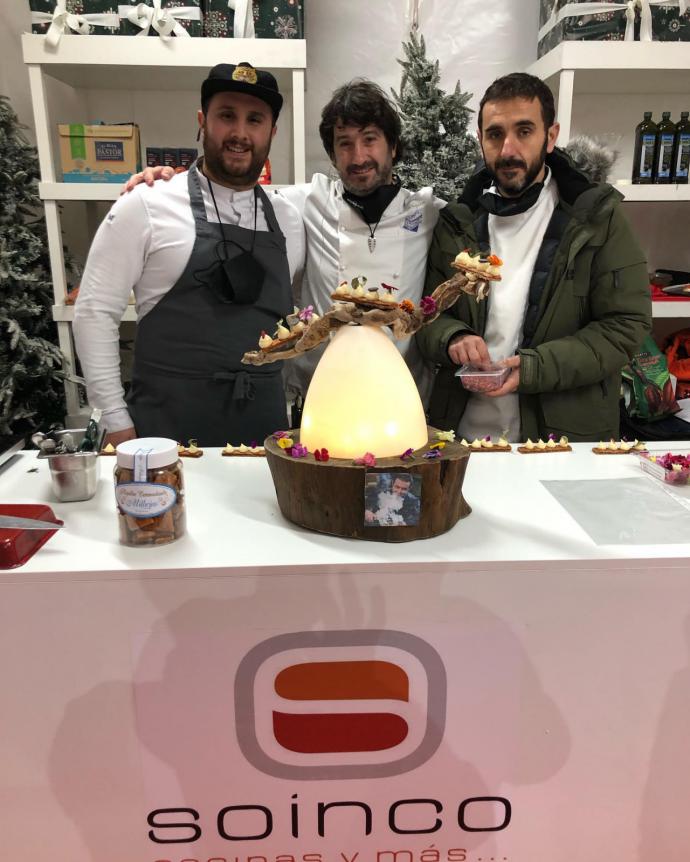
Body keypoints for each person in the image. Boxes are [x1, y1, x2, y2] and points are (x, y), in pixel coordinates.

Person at [126, 80, 445, 406]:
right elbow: (230, 194)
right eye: (345, 144)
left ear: (392, 146)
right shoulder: (307, 202)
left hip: (403, 397)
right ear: (333, 156)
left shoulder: (428, 212)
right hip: (321, 398)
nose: (358, 156)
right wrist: (170, 184)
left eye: (370, 140)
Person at [73, 62, 305, 448]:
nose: (240, 133)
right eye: (226, 116)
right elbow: (94, 313)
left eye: (255, 120)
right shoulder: (147, 203)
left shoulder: (289, 219)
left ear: (273, 132)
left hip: (263, 434)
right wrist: (116, 421)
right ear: (202, 120)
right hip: (164, 434)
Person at [416, 72, 651, 443]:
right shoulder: (457, 221)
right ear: (481, 140)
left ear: (551, 136)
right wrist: (452, 337)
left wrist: (534, 369)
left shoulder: (595, 218)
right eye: (495, 134)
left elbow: (625, 327)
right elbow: (428, 314)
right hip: (464, 435)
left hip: (561, 440)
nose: (508, 149)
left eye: (524, 131)